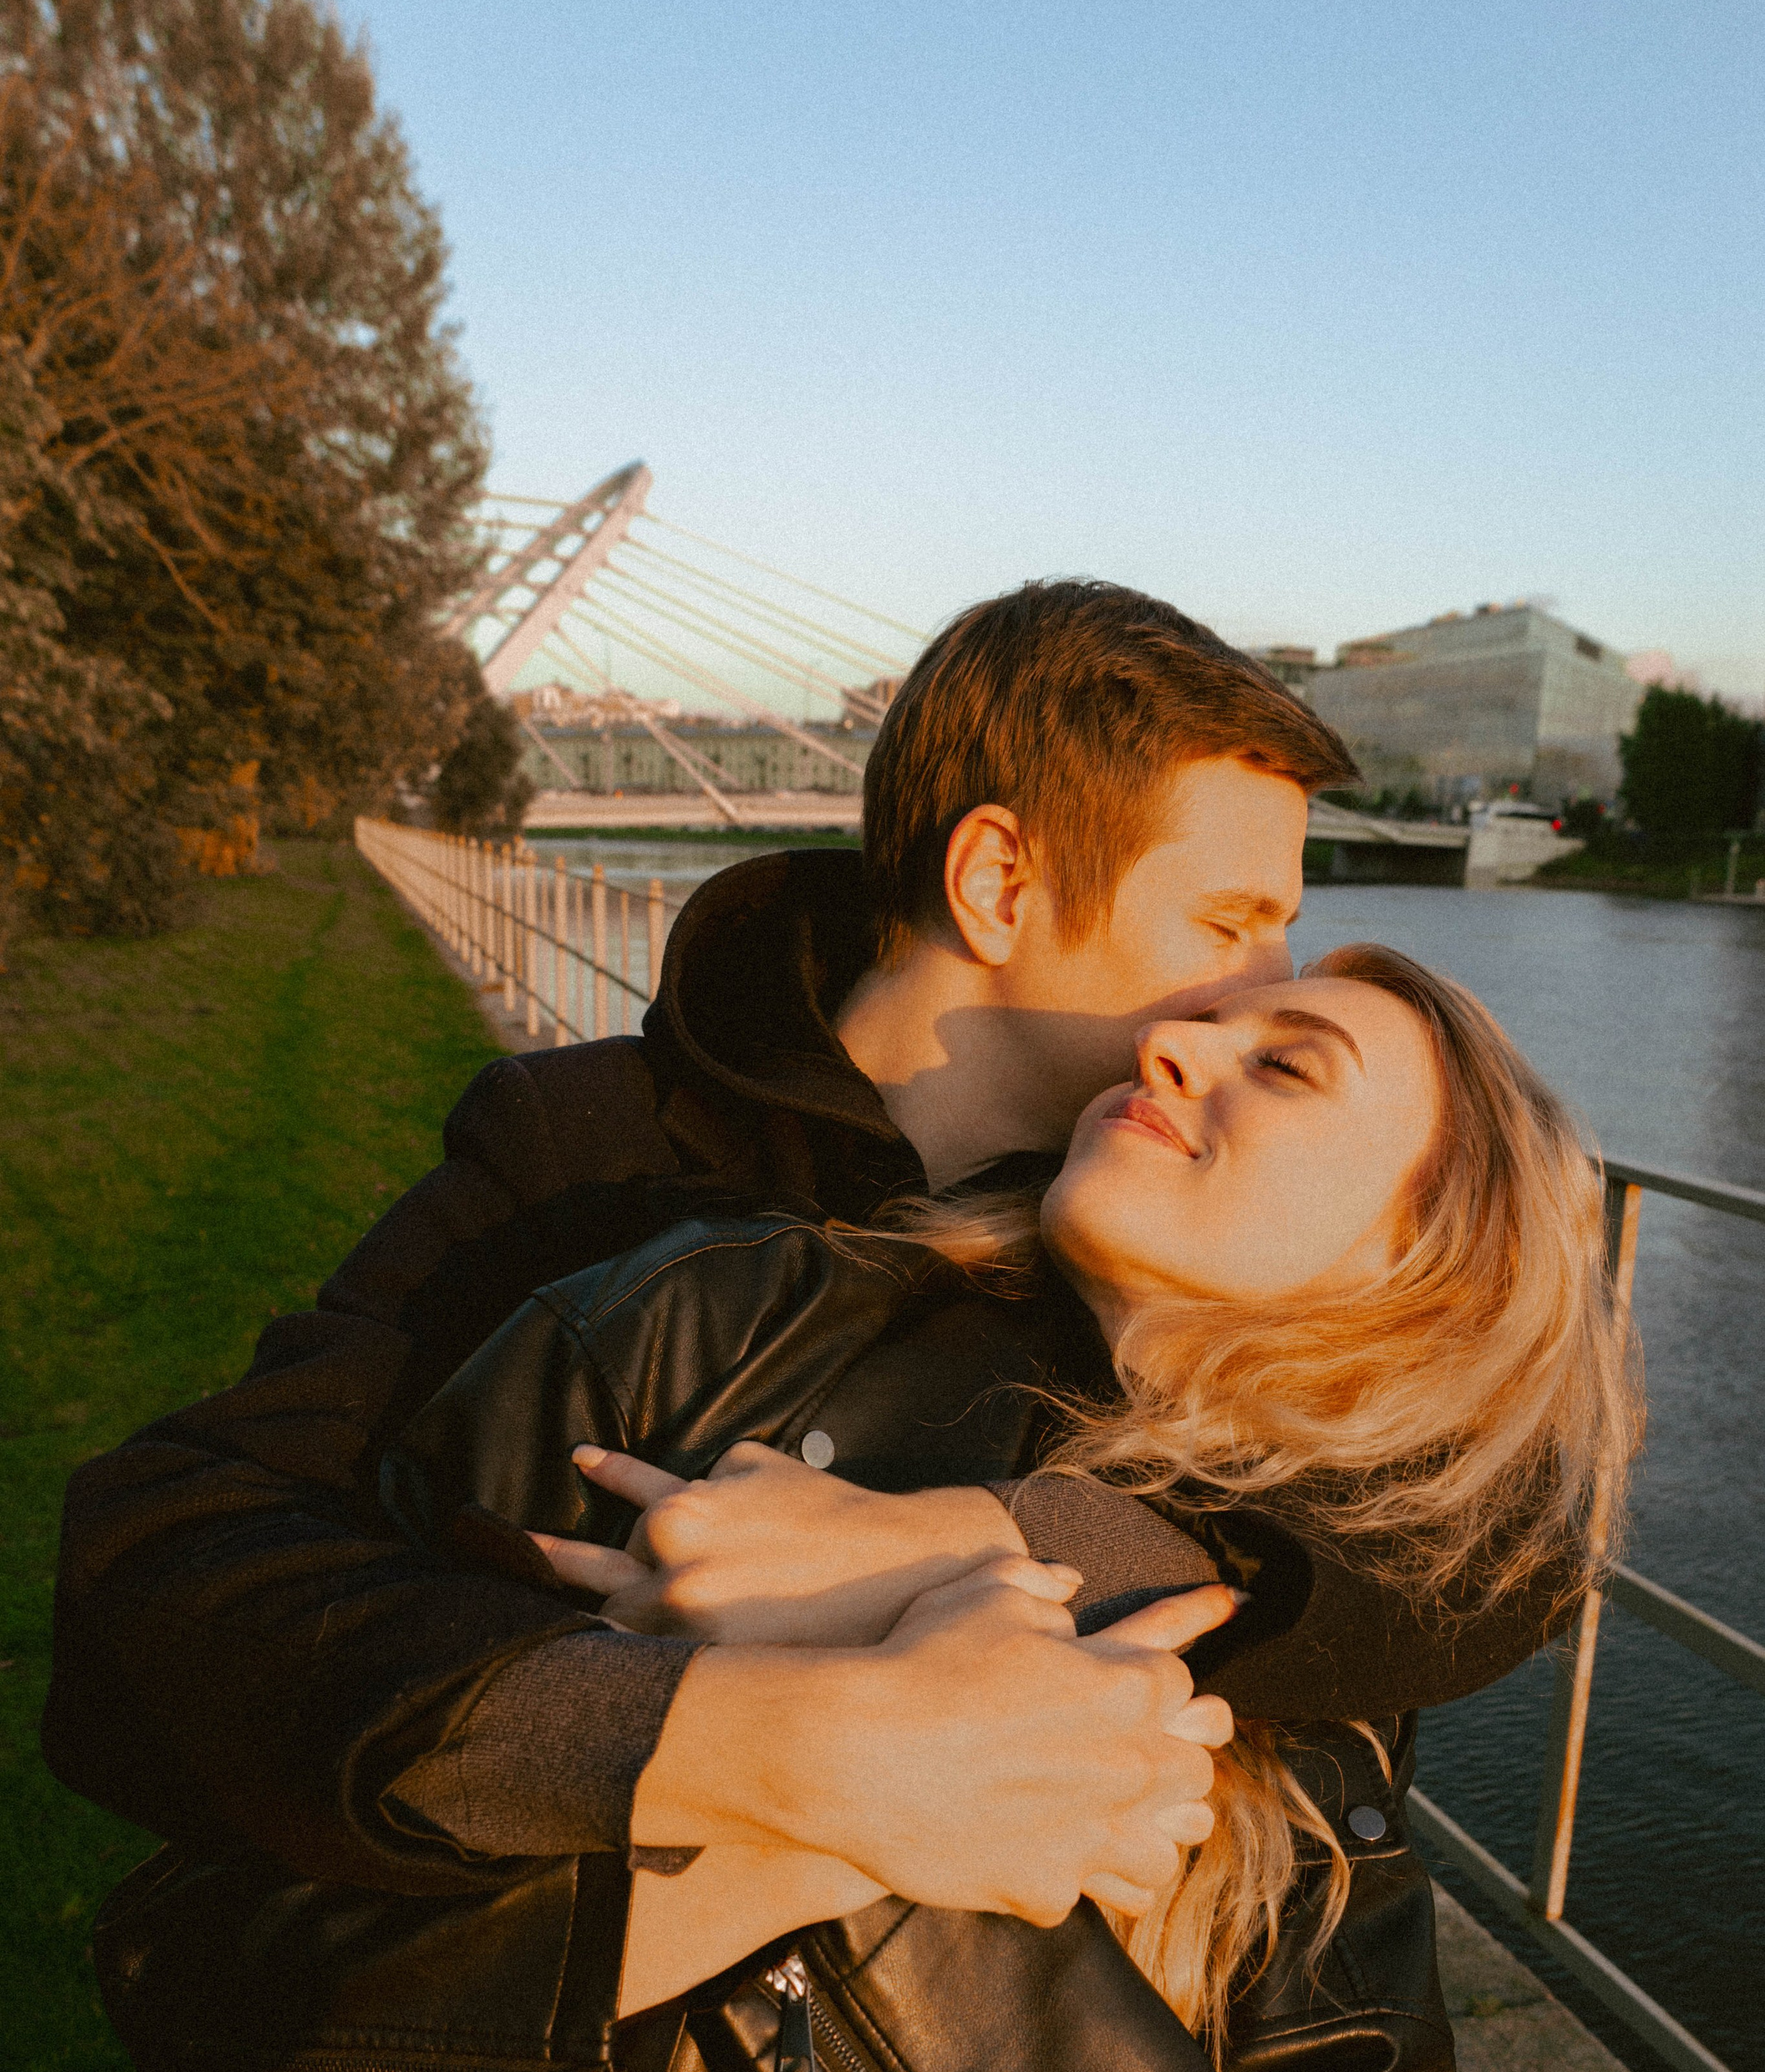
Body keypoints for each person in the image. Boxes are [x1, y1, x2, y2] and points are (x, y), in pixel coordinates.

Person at [29, 947, 1637, 2072]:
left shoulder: (1316, 1711)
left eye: (1280, 1062)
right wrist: (821, 1756)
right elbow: (218, 1975)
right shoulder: (704, 1336)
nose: (1165, 1043)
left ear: (1423, 1265)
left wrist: (906, 1789)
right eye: (1207, 990)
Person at [46, 581, 1364, 1927]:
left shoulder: (1178, 1220)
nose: (1271, 987)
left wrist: (984, 1538)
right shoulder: (582, 1148)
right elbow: (156, 1575)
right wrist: (733, 1735)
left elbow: (1483, 1535)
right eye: (1229, 924)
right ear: (997, 884)